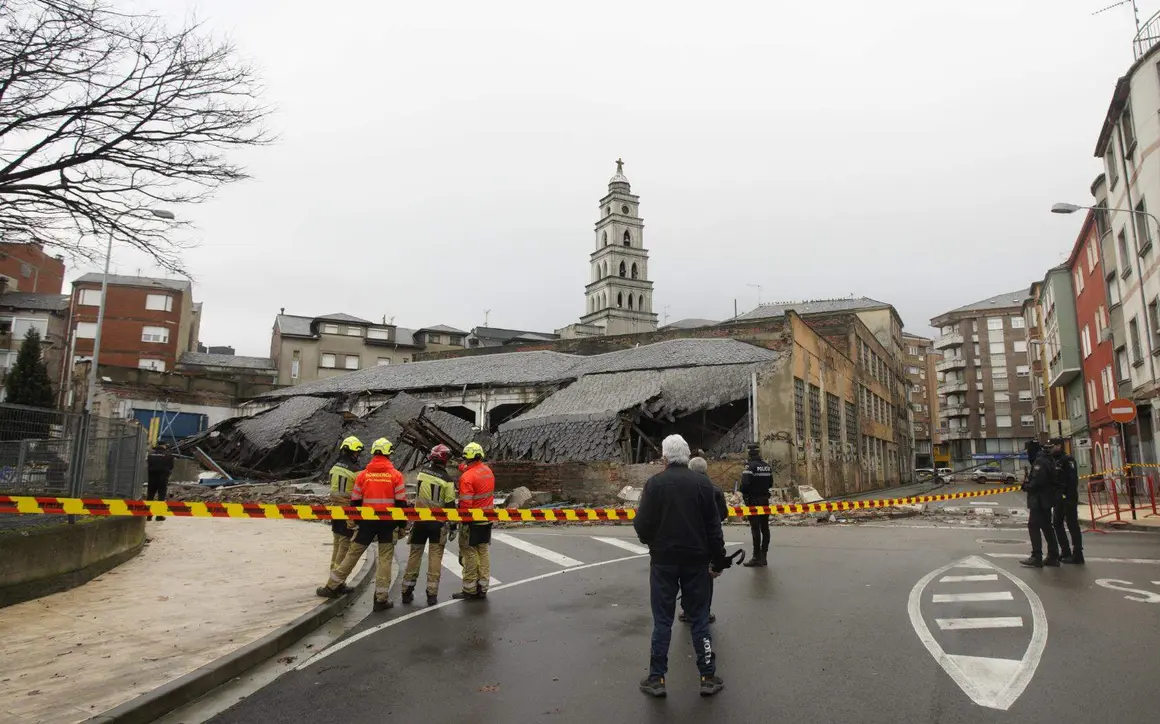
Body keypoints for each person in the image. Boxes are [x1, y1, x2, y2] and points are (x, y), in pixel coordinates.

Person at [633, 434, 728, 698]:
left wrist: (652, 542)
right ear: (687, 456)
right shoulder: (703, 484)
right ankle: (708, 676)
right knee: (699, 618)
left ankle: (656, 679)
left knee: (662, 620)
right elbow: (714, 528)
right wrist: (718, 561)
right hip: (697, 562)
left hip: (663, 562)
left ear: (664, 457)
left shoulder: (655, 485)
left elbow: (642, 525)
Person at [317, 437, 407, 610]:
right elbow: (401, 503)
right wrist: (402, 525)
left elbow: (355, 502)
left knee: (352, 554)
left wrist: (357, 521)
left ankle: (331, 586)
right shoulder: (396, 476)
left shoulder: (364, 475)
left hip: (366, 523)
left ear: (373, 454)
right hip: (387, 524)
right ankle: (380, 599)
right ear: (388, 455)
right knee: (385, 559)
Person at [402, 444, 457, 605]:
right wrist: (453, 526)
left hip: (419, 522)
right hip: (437, 524)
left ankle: (406, 591)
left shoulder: (421, 474)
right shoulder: (447, 480)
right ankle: (431, 594)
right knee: (435, 558)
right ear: (444, 459)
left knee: (414, 556)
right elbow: (450, 505)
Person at [680, 455, 723, 625]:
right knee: (707, 577)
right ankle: (705, 610)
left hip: (688, 538)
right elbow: (722, 515)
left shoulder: (683, 489)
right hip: (708, 540)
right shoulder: (715, 489)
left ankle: (687, 609)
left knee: (686, 575)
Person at [453, 442, 495, 601]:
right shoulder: (487, 471)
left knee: (469, 553)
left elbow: (465, 504)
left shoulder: (467, 477)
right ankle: (483, 586)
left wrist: (462, 521)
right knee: (483, 552)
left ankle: (469, 589)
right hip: (486, 520)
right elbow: (471, 470)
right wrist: (460, 467)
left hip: (471, 522)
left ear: (466, 457)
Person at [1020, 439, 1061, 568]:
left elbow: (1038, 482)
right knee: (1047, 526)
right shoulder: (1047, 459)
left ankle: (1036, 556)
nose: (1027, 453)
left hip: (1039, 500)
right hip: (1046, 499)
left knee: (1033, 525)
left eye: (1027, 450)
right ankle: (1053, 556)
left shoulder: (1040, 461)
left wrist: (1027, 486)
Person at [327, 436, 363, 577]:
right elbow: (360, 494)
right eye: (356, 453)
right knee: (344, 546)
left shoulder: (334, 468)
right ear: (353, 453)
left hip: (335, 509)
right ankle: (337, 581)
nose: (357, 456)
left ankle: (332, 575)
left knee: (337, 544)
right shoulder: (355, 471)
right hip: (348, 511)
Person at [1049, 438, 1084, 564]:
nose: (1051, 448)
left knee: (1072, 525)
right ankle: (1065, 552)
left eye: (1052, 446)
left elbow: (1072, 480)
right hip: (1058, 498)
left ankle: (1078, 554)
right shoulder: (1053, 460)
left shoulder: (1068, 460)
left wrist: (1066, 495)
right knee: (1057, 524)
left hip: (1068, 498)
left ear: (1059, 446)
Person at [738, 442, 773, 567]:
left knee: (755, 528)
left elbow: (745, 485)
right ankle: (764, 557)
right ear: (758, 452)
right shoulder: (767, 466)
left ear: (749, 453)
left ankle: (756, 557)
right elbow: (770, 484)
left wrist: (744, 491)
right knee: (765, 528)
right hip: (765, 501)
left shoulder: (749, 467)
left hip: (753, 501)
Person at [145, 443, 175, 521]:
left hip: (152, 478)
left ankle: (148, 516)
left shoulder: (151, 455)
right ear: (164, 446)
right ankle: (159, 516)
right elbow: (171, 466)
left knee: (150, 496)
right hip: (163, 478)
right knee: (161, 497)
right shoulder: (168, 455)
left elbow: (149, 465)